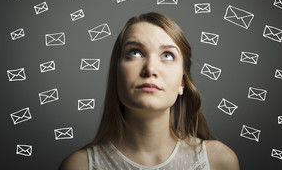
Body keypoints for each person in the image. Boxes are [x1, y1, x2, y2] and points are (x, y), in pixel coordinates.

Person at [59, 12, 240, 170]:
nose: (150, 68)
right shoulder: (79, 166)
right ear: (116, 73)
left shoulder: (218, 161)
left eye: (167, 55)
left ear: (182, 83)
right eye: (135, 53)